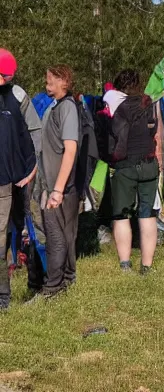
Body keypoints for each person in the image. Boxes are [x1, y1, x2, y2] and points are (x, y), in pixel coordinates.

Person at [108, 70, 159, 273]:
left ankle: (125, 264)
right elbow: (154, 132)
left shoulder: (119, 108)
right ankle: (146, 265)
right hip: (148, 164)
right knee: (147, 214)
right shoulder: (149, 104)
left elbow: (113, 136)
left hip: (126, 166)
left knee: (121, 215)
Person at [0, 50, 38, 309]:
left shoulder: (17, 95)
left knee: (9, 232)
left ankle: (4, 295)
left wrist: (33, 170)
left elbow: (35, 131)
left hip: (10, 179)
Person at [39, 65, 80, 297]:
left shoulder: (68, 109)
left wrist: (58, 189)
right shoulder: (54, 108)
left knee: (60, 237)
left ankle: (55, 286)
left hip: (61, 188)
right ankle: (62, 282)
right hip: (51, 185)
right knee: (59, 235)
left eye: (51, 81)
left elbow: (71, 150)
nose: (47, 86)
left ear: (64, 81)